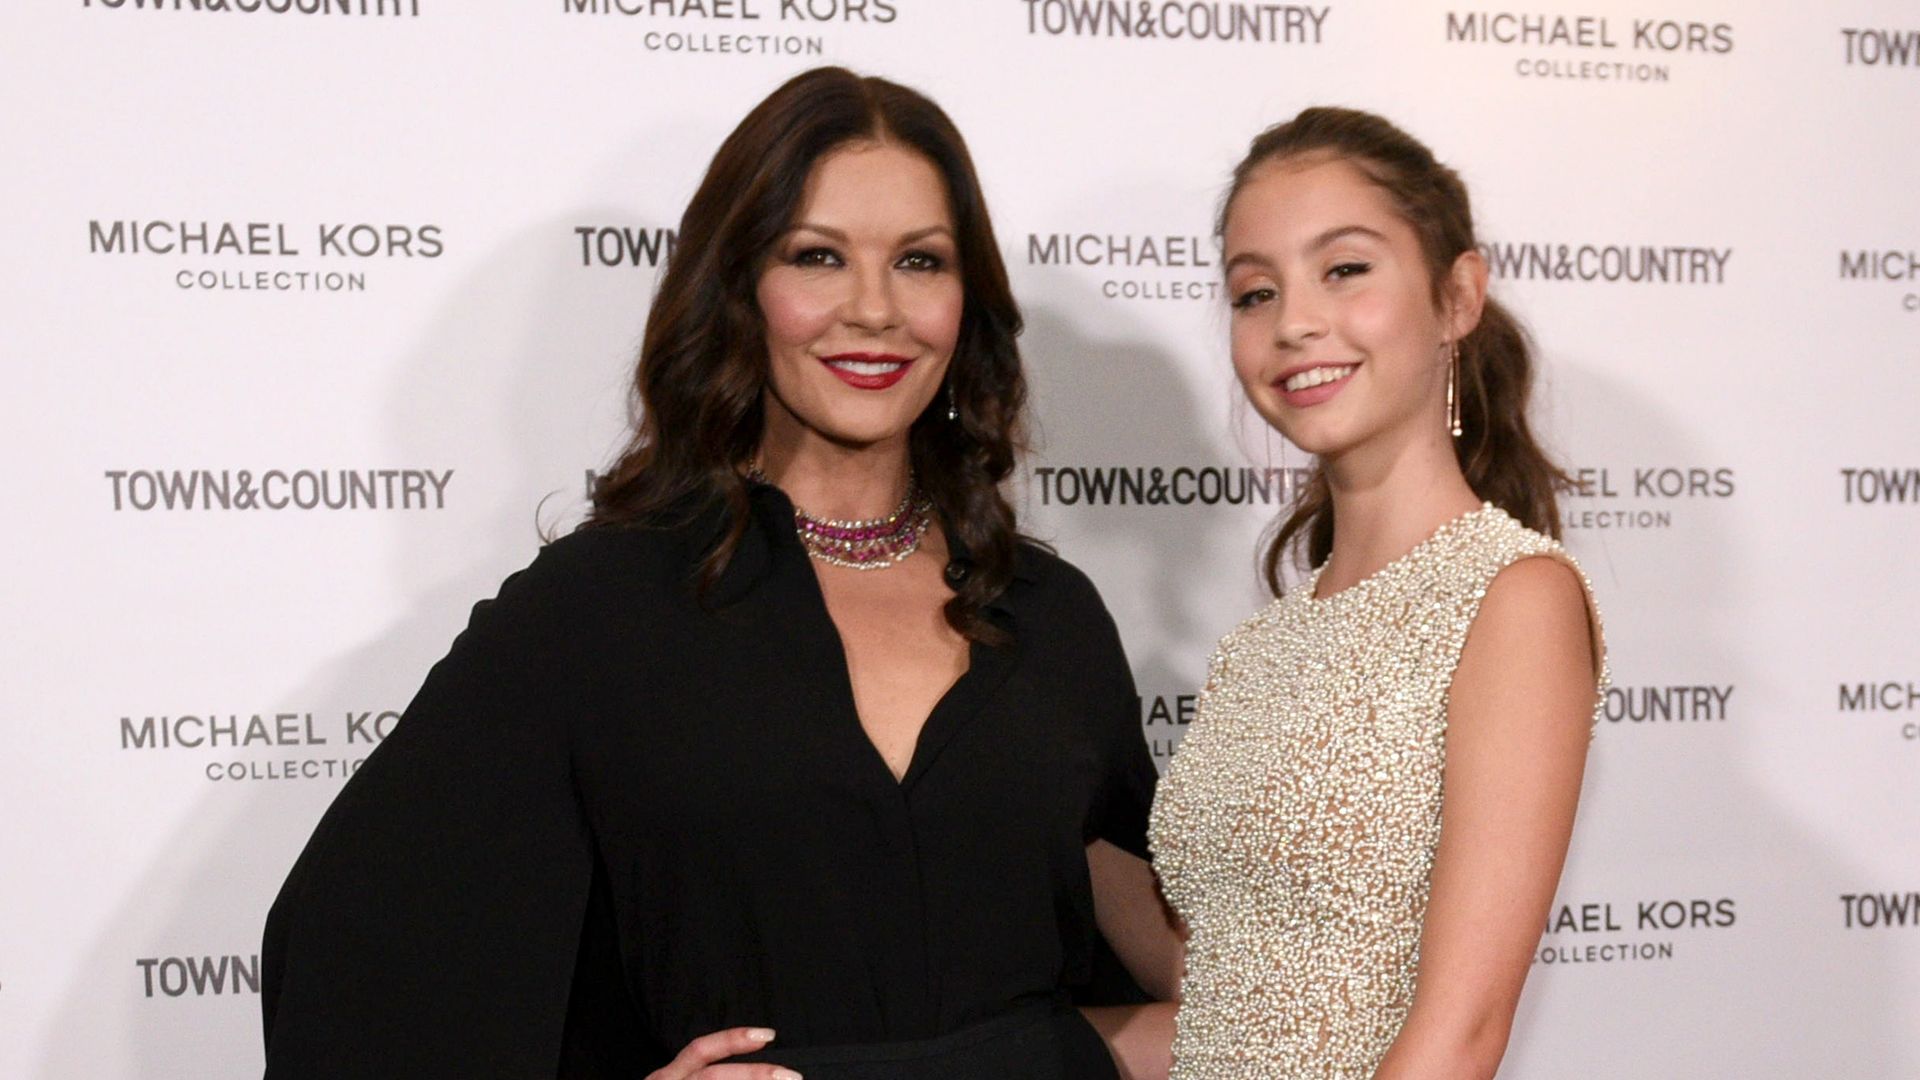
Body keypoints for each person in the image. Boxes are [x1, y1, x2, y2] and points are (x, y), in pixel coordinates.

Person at [259, 67, 1181, 1080]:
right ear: (739, 287)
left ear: (968, 303)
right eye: (817, 257)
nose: (875, 309)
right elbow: (354, 971)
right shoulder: (597, 610)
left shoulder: (1051, 618)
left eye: (920, 261)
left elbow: (1186, 966)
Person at [1146, 107, 1608, 1079]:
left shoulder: (1514, 598)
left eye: (1345, 269)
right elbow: (1225, 987)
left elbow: (1462, 1032)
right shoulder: (1259, 646)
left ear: (1458, 297)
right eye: (1254, 292)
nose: (1295, 322)